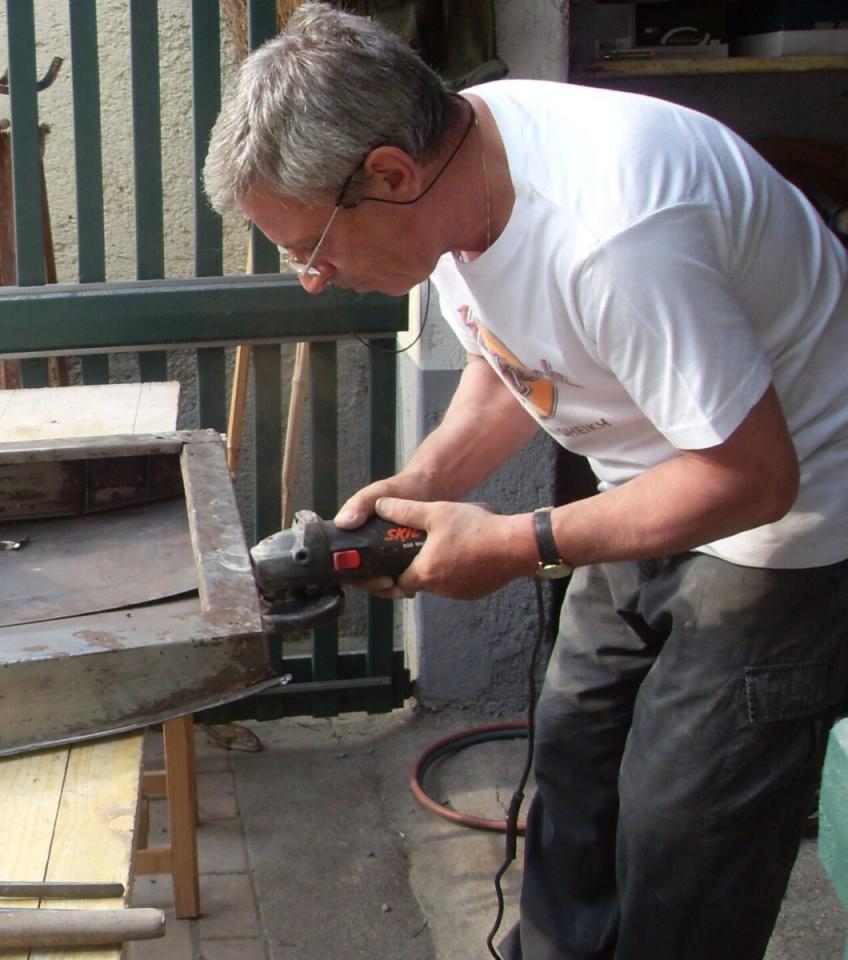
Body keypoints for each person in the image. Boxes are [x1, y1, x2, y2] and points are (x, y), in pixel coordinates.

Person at [203, 5, 848, 959]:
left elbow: (750, 478)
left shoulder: (616, 231)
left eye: (310, 246)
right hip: (656, 482)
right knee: (575, 759)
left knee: (684, 825)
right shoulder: (460, 167)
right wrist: (422, 480)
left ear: (390, 173)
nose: (310, 276)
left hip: (787, 523)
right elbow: (515, 361)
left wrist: (517, 544)